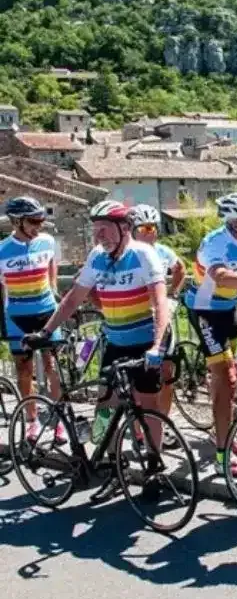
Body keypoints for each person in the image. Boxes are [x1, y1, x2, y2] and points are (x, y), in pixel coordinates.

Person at [25, 200, 171, 500]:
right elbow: (73, 298)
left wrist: (157, 346)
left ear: (124, 228)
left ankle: (154, 467)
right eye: (95, 231)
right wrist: (47, 330)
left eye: (104, 229)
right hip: (115, 343)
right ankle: (114, 468)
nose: (99, 236)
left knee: (149, 406)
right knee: (106, 408)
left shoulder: (144, 255)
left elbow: (160, 304)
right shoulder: (97, 257)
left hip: (144, 343)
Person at [183, 192, 237, 477]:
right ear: (236, 223)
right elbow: (220, 275)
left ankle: (221, 433)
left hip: (229, 310)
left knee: (228, 381)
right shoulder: (215, 242)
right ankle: (223, 455)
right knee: (228, 378)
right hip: (206, 311)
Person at [0, 197, 63, 440]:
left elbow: (52, 267)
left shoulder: (47, 241)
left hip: (47, 314)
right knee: (24, 370)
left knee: (52, 367)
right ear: (17, 222)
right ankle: (32, 420)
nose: (39, 225)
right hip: (17, 317)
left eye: (41, 220)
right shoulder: (3, 250)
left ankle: (58, 418)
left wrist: (55, 290)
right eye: (34, 221)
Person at [130, 204, 186, 449]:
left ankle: (160, 424)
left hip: (163, 324)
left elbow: (181, 268)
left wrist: (173, 293)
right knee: (137, 379)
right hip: (138, 323)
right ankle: (138, 429)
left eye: (154, 227)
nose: (151, 232)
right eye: (145, 227)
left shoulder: (163, 251)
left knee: (166, 375)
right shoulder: (128, 254)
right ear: (132, 230)